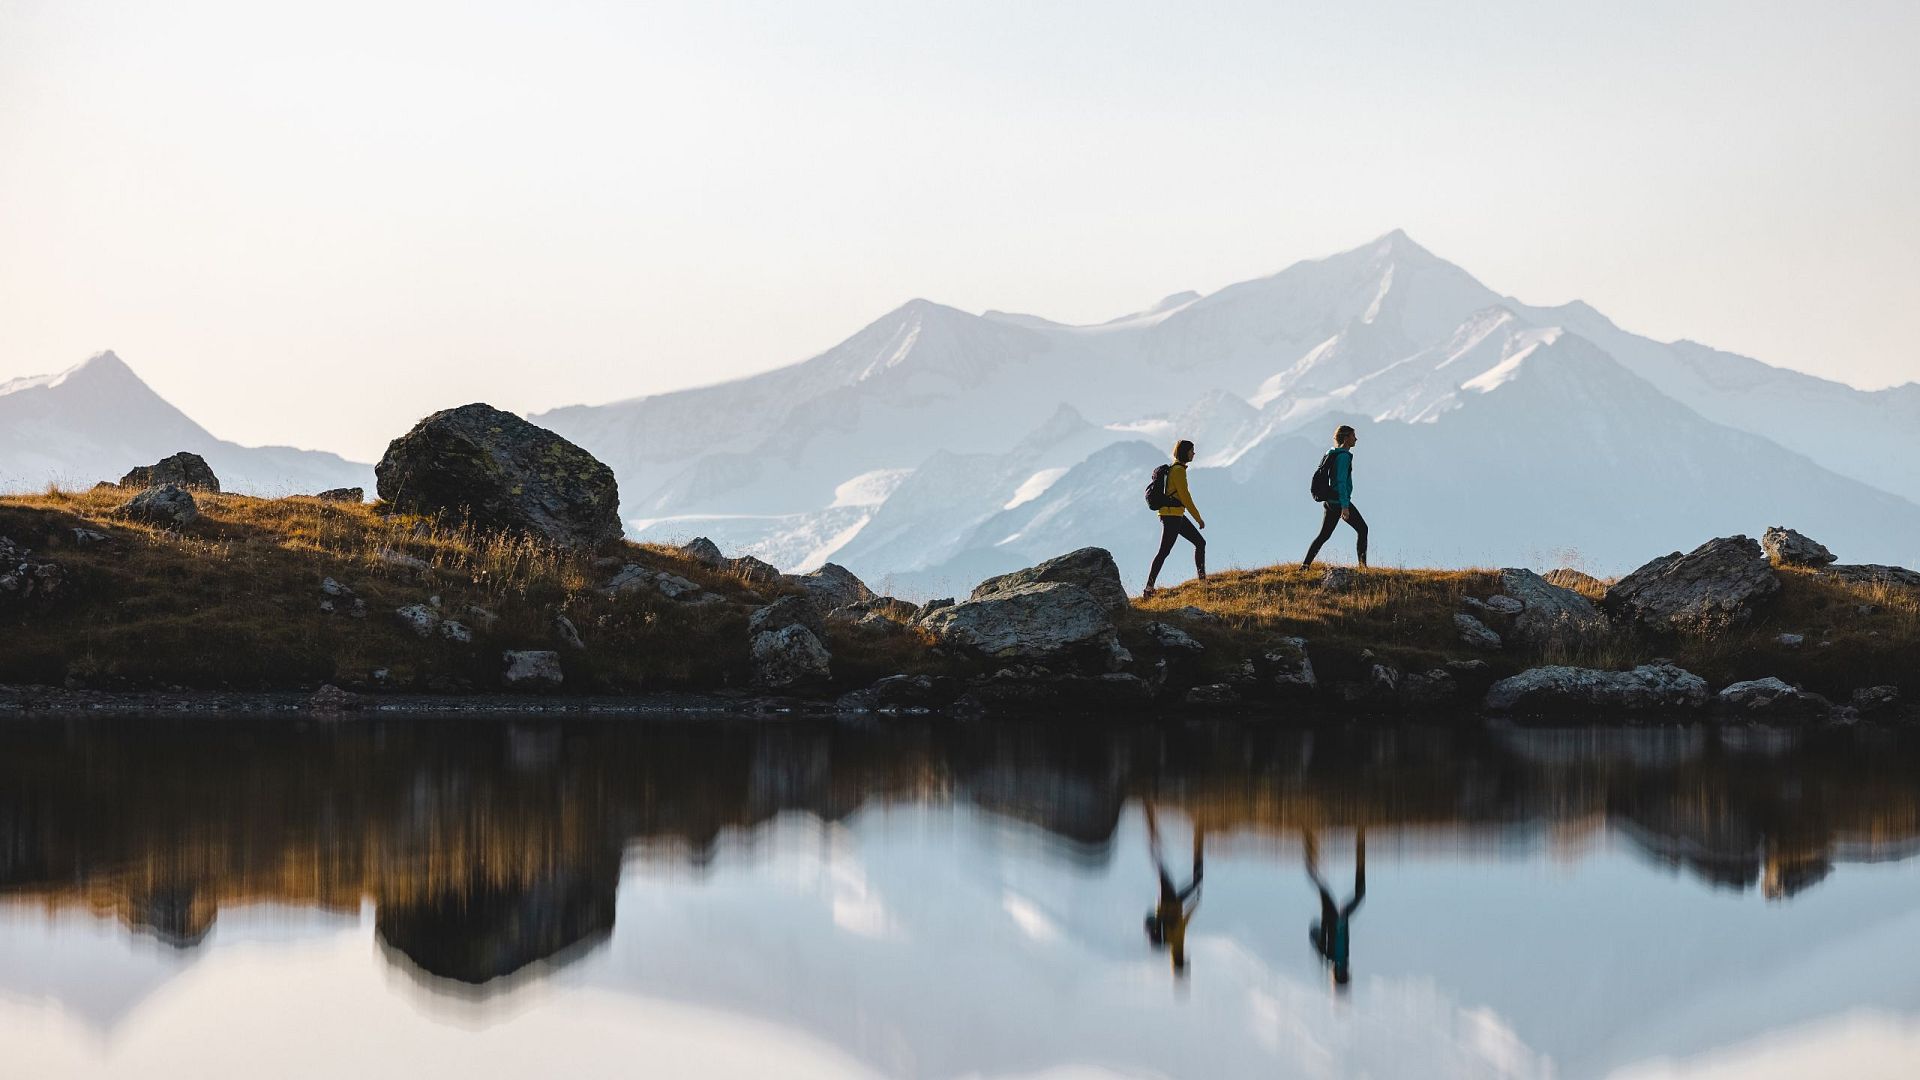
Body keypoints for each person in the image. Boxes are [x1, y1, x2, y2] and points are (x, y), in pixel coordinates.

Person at [1142, 802, 1204, 976]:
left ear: (1179, 960)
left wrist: (1195, 904)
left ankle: (1197, 830)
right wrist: (1194, 905)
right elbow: (1182, 924)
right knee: (1164, 866)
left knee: (1162, 863)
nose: (1185, 957)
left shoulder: (1174, 944)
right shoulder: (1173, 945)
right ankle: (1198, 831)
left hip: (1170, 901)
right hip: (1174, 901)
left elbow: (1181, 925)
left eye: (1183, 961)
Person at [1304, 827, 1366, 989]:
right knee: (1357, 893)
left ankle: (1309, 837)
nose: (1347, 972)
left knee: (1323, 885)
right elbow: (1314, 932)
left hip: (1336, 916)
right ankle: (1360, 842)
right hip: (1340, 916)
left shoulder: (1331, 958)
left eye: (1345, 975)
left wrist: (1320, 931)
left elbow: (1314, 933)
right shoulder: (1338, 959)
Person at [1143, 439, 1205, 598]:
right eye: (1192, 450)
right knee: (1164, 551)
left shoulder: (1175, 468)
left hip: (1174, 514)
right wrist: (1198, 518)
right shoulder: (1178, 471)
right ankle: (1149, 589)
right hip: (1172, 516)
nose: (1194, 453)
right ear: (1185, 452)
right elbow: (1185, 497)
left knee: (1200, 543)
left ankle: (1203, 581)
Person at [1303, 425, 1367, 569]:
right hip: (1339, 501)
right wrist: (1345, 506)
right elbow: (1341, 482)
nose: (1356, 439)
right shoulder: (1344, 457)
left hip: (1330, 501)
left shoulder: (1332, 452)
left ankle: (1305, 566)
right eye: (1353, 436)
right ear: (1346, 438)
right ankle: (1363, 567)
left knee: (1323, 536)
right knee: (1363, 529)